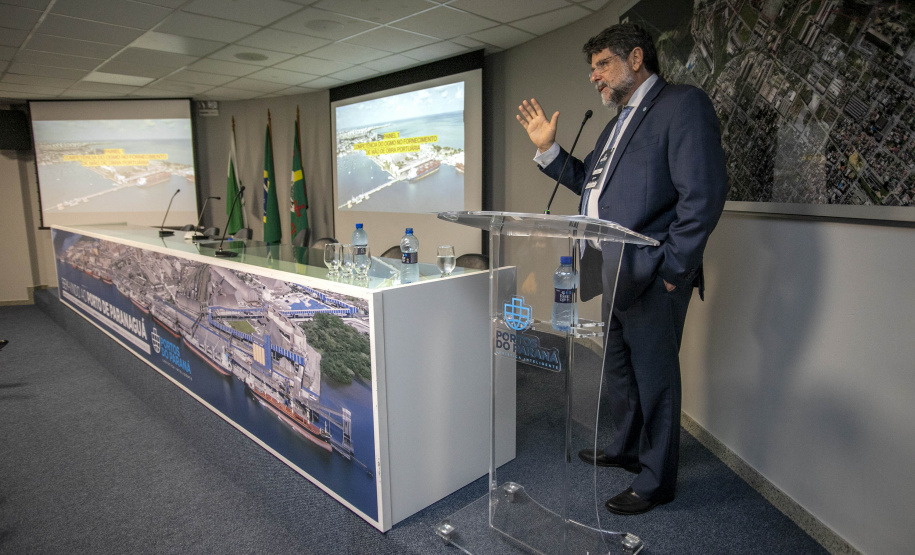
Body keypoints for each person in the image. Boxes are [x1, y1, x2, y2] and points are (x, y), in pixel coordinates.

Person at [516, 23, 728, 515]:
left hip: (653, 273)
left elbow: (704, 194)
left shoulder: (683, 105)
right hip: (609, 272)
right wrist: (549, 150)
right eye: (591, 69)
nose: (594, 77)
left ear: (636, 58)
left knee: (656, 380)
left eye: (602, 65)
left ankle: (657, 480)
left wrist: (673, 268)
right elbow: (592, 188)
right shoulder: (615, 124)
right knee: (619, 370)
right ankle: (627, 448)